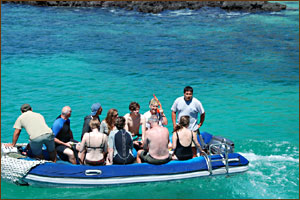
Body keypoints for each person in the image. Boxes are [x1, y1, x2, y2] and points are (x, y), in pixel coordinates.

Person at [171, 86, 205, 156]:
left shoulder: (197, 102)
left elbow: (202, 113)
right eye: (187, 94)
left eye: (190, 94)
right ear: (184, 93)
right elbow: (173, 112)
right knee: (178, 145)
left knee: (193, 146)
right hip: (179, 128)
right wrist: (174, 124)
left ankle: (194, 159)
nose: (188, 96)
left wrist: (200, 124)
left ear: (192, 94)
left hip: (192, 128)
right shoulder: (178, 100)